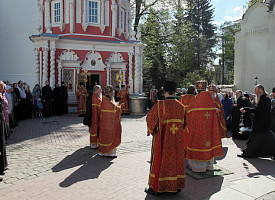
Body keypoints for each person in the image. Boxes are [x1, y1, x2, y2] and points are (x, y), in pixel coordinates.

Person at [145, 81, 186, 195]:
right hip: (177, 141)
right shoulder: (181, 107)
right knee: (175, 161)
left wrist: (152, 131)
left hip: (162, 140)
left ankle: (158, 187)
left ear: (164, 92)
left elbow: (150, 119)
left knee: (161, 161)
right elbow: (184, 125)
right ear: (174, 92)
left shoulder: (159, 105)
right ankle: (176, 186)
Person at [186, 91, 223, 172]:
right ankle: (208, 166)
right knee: (208, 146)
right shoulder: (211, 105)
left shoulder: (194, 104)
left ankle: (197, 167)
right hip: (209, 132)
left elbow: (187, 114)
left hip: (197, 131)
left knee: (198, 145)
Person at [238, 85, 275, 159]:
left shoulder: (265, 99)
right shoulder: (262, 98)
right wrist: (247, 109)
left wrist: (247, 109)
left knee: (259, 139)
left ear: (260, 90)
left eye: (255, 90)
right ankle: (249, 152)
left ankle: (249, 153)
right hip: (260, 124)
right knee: (259, 139)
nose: (254, 93)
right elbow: (256, 109)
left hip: (262, 124)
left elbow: (258, 110)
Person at [98, 85, 122, 157]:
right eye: (113, 94)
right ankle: (111, 153)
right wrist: (120, 107)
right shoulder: (108, 101)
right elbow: (115, 109)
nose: (113, 95)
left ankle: (103, 152)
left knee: (104, 136)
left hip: (103, 122)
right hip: (111, 123)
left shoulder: (102, 100)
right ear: (111, 94)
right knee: (111, 136)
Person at [0, 81, 8, 180]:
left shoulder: (2, 95)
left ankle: (2, 165)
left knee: (2, 144)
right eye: (2, 88)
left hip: (1, 121)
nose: (4, 90)